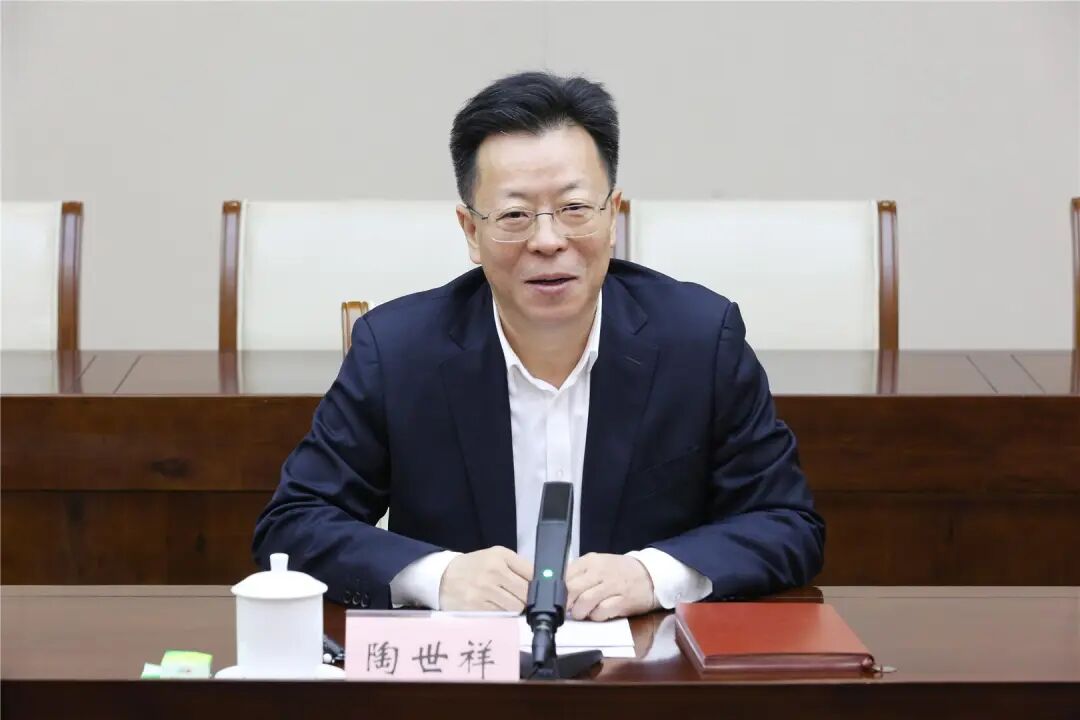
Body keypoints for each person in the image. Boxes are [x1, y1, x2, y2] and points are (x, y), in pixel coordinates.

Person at [253, 71, 824, 621]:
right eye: (514, 215)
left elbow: (786, 523)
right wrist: (438, 576)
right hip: (468, 663)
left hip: (644, 662)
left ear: (612, 216)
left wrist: (653, 575)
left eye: (574, 209)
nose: (548, 241)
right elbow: (293, 523)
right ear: (471, 231)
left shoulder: (699, 340)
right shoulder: (399, 351)